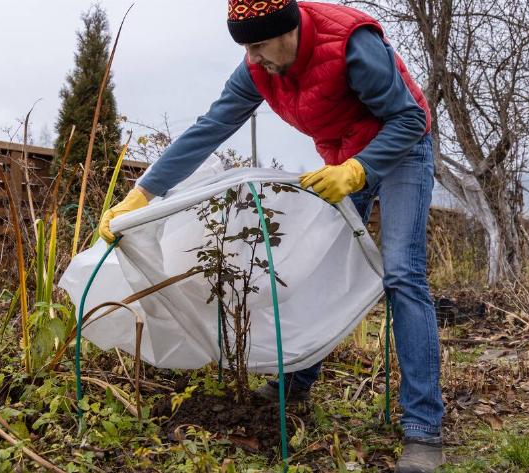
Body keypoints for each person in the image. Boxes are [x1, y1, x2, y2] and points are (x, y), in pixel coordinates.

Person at [99, 1, 444, 471]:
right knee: (321, 267)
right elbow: (210, 128)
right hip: (343, 154)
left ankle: (424, 430)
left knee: (402, 274)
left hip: (401, 146)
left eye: (259, 44)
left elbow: (406, 118)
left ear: (290, 31)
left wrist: (360, 169)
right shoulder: (257, 68)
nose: (252, 57)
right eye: (245, 47)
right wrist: (144, 193)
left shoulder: (350, 45)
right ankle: (295, 383)